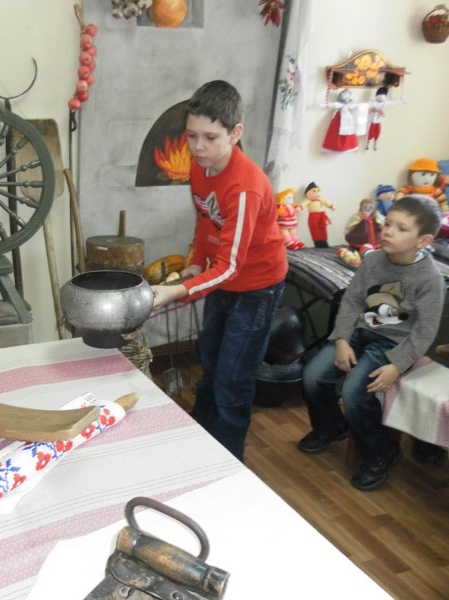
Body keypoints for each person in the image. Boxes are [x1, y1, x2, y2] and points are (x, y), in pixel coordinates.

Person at [151, 80, 288, 462]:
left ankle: (227, 464)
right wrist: (196, 261)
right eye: (191, 135)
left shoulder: (245, 188)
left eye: (210, 137)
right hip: (223, 280)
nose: (198, 147)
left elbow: (230, 266)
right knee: (209, 360)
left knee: (233, 379)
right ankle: (201, 444)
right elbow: (206, 220)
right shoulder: (201, 168)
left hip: (257, 288)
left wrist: (177, 290)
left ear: (235, 133)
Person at [297, 195, 443, 491]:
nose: (388, 232)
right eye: (388, 224)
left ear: (423, 240)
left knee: (354, 392)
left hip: (393, 346)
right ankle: (331, 427)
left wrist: (396, 365)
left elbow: (425, 332)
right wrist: (341, 339)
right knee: (312, 375)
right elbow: (351, 301)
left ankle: (381, 452)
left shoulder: (430, 279)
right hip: (358, 334)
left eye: (401, 229)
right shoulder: (374, 259)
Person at [301, 181, 335, 248]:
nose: (317, 193)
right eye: (314, 191)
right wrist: (299, 207)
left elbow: (327, 203)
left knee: (323, 228)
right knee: (314, 229)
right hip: (313, 216)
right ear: (307, 193)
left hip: (322, 215)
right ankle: (318, 243)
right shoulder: (309, 201)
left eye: (318, 191)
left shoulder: (321, 200)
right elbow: (303, 204)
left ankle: (324, 242)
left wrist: (331, 207)